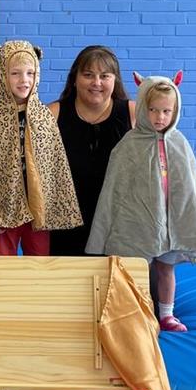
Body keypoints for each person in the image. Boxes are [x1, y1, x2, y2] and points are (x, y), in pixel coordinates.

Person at [86, 74, 196, 332]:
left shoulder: (180, 144)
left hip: (170, 223)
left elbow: (192, 191)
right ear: (143, 108)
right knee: (137, 269)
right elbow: (115, 189)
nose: (159, 117)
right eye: (153, 110)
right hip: (139, 222)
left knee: (166, 269)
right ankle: (139, 312)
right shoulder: (130, 144)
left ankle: (166, 314)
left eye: (167, 111)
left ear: (175, 111)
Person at [0, 40, 82, 255]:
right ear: (3, 75)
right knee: (4, 261)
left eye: (30, 73)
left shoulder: (44, 117)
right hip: (4, 208)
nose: (24, 80)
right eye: (15, 74)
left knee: (39, 260)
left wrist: (52, 208)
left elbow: (55, 167)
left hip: (37, 209)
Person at [48, 46, 136, 256]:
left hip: (117, 223)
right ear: (75, 79)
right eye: (88, 75)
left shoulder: (134, 113)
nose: (96, 82)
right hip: (66, 224)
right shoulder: (52, 114)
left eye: (104, 76)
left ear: (115, 80)